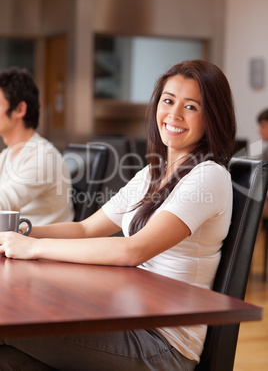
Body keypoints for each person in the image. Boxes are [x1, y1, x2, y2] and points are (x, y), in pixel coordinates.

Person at [0, 60, 236, 371]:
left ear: (213, 115)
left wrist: (32, 248)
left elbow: (133, 249)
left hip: (162, 345)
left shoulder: (209, 176)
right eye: (168, 101)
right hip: (125, 319)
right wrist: (21, 236)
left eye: (191, 106)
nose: (174, 114)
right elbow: (85, 229)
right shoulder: (153, 173)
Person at [0, 67, 74, 225]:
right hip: (17, 242)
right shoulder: (8, 154)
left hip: (41, 244)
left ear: (20, 109)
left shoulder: (43, 156)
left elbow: (4, 202)